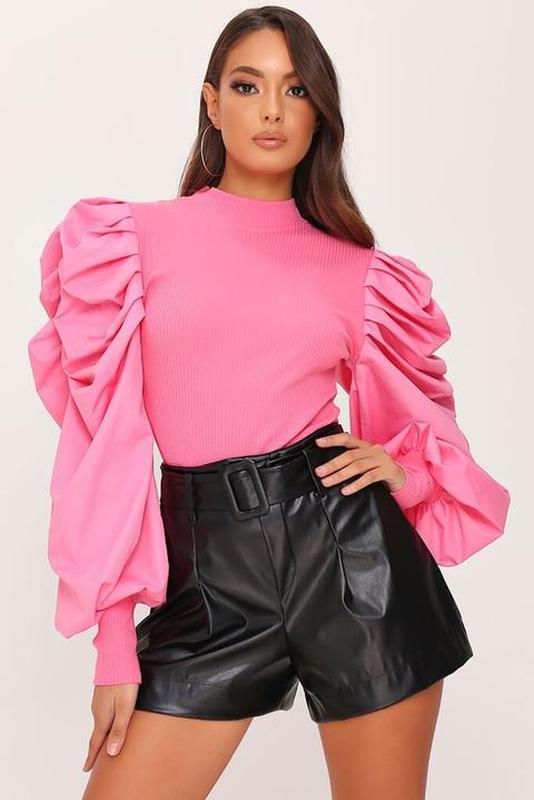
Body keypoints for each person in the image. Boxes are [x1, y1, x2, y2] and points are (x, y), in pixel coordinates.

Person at [27, 7, 511, 799]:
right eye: (249, 86)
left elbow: (426, 421)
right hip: (206, 584)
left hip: (355, 569)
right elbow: (103, 444)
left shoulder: (358, 270)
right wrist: (116, 641)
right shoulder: (128, 243)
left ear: (320, 113)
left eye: (297, 90)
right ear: (213, 104)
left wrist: (408, 471)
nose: (273, 110)